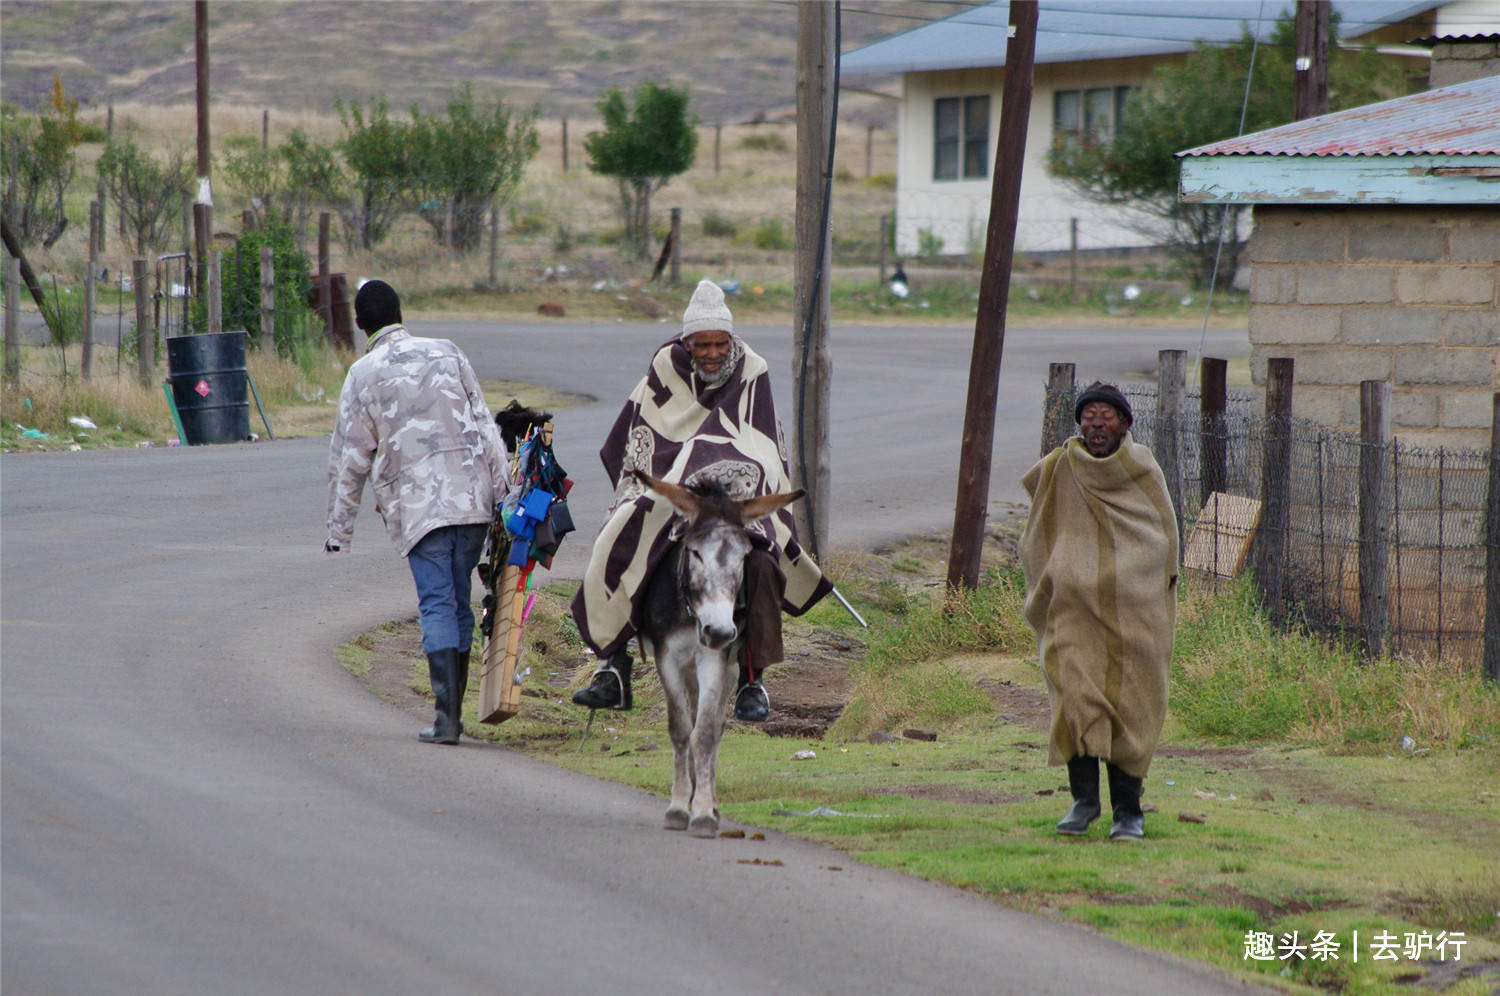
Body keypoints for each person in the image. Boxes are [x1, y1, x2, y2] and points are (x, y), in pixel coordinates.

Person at [570, 278, 831, 721]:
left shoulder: (754, 368)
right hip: (674, 488)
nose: (712, 353)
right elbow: (644, 435)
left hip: (739, 495)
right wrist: (682, 471)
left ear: (731, 340)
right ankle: (612, 665)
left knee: (764, 564)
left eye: (719, 343)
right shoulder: (665, 364)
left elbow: (762, 444)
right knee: (616, 539)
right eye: (702, 344)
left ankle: (752, 680)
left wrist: (724, 470)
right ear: (687, 342)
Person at [325, 279, 512, 745]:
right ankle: (455, 714)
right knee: (457, 596)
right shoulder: (448, 351)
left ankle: (447, 719)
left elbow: (350, 459)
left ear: (360, 322)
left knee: (435, 603)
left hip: (418, 509)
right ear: (400, 312)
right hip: (472, 504)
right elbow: (486, 425)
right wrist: (505, 494)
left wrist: (338, 531)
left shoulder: (362, 374)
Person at [1019, 382, 1178, 840]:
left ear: (1125, 424)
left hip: (1136, 617)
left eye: (1106, 415)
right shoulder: (1060, 467)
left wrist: (1132, 581)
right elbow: (1038, 523)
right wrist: (1057, 575)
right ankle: (1083, 803)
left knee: (1134, 705)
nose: (1096, 423)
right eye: (1088, 416)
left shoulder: (1142, 470)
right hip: (1072, 614)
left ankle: (1129, 812)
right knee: (1075, 701)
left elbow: (1163, 540)